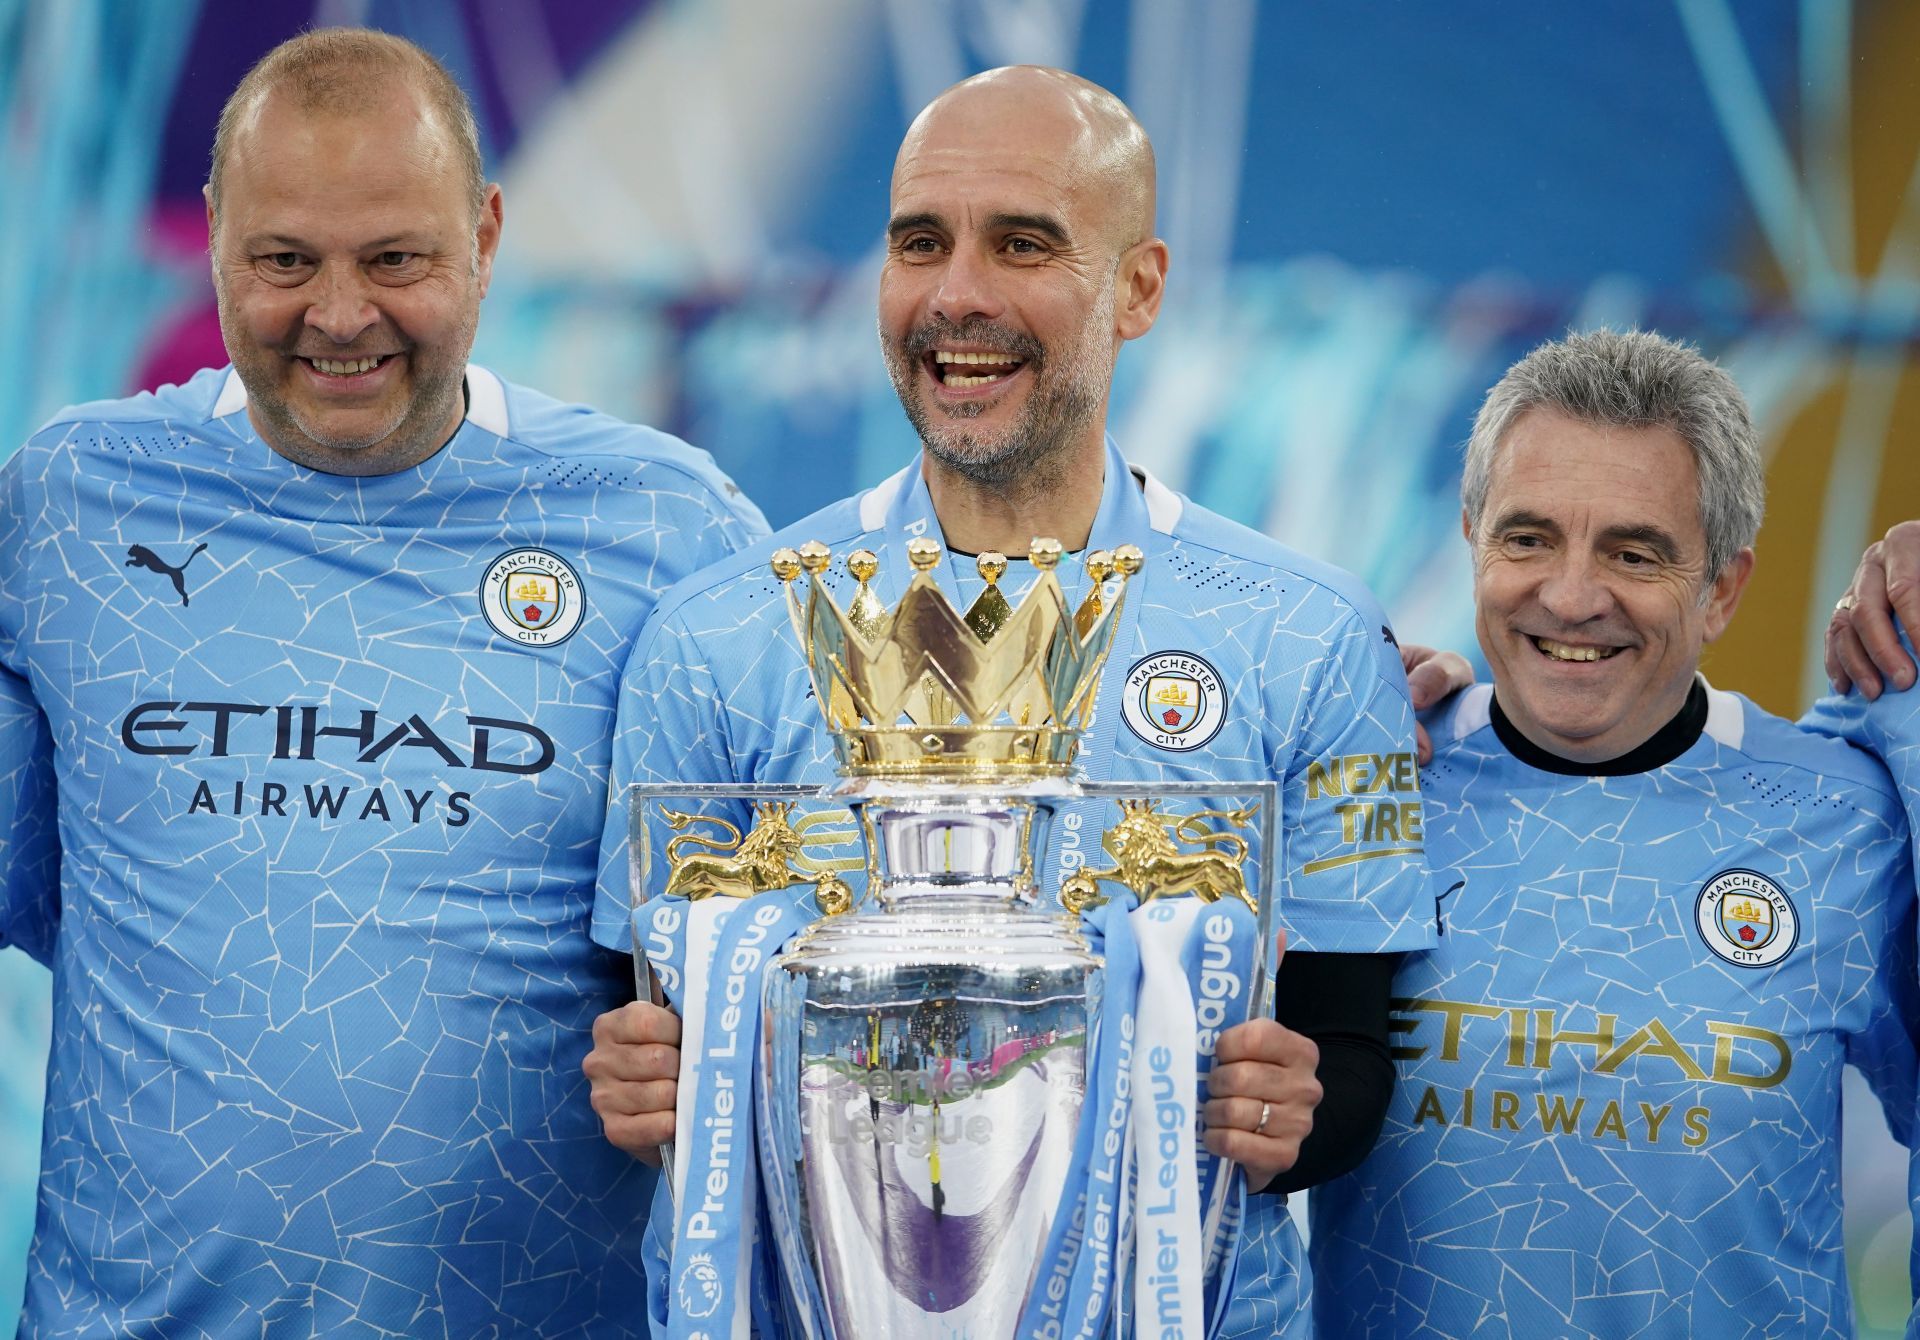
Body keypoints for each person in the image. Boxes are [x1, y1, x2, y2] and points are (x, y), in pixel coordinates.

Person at [582, 65, 1449, 1336]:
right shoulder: (720, 632)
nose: (957, 296)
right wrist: (638, 1078)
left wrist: (1298, 1112)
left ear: (1139, 287)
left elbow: (1355, 1052)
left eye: (1023, 244)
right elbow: (642, 1022)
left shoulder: (1305, 635)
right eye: (919, 243)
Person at [0, 29, 765, 1338]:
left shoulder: (666, 527)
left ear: (487, 233)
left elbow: (771, 962)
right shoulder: (69, 508)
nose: (339, 317)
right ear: (214, 234)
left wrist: (716, 1052)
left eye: (396, 260)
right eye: (285, 261)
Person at [1307, 329, 1918, 1339]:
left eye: (1634, 552)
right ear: (1471, 539)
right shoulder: (1370, 783)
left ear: (1722, 586)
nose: (1573, 594)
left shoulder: (1849, 820)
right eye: (1528, 537)